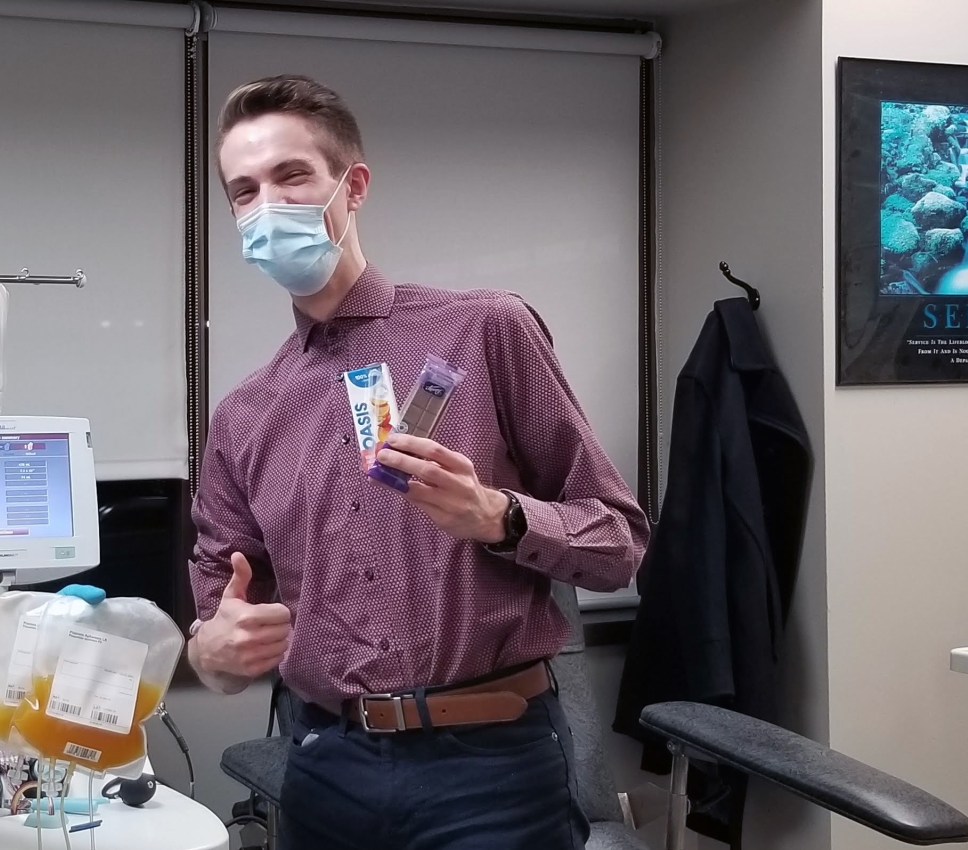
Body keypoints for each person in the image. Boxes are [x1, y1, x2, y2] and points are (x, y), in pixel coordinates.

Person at [186, 75, 650, 850]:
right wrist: (212, 652)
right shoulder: (244, 416)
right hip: (323, 765)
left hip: (492, 767)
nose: (267, 205)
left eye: (292, 176)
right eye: (244, 190)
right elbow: (221, 628)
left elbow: (618, 546)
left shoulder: (484, 332)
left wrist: (499, 517)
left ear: (352, 185)